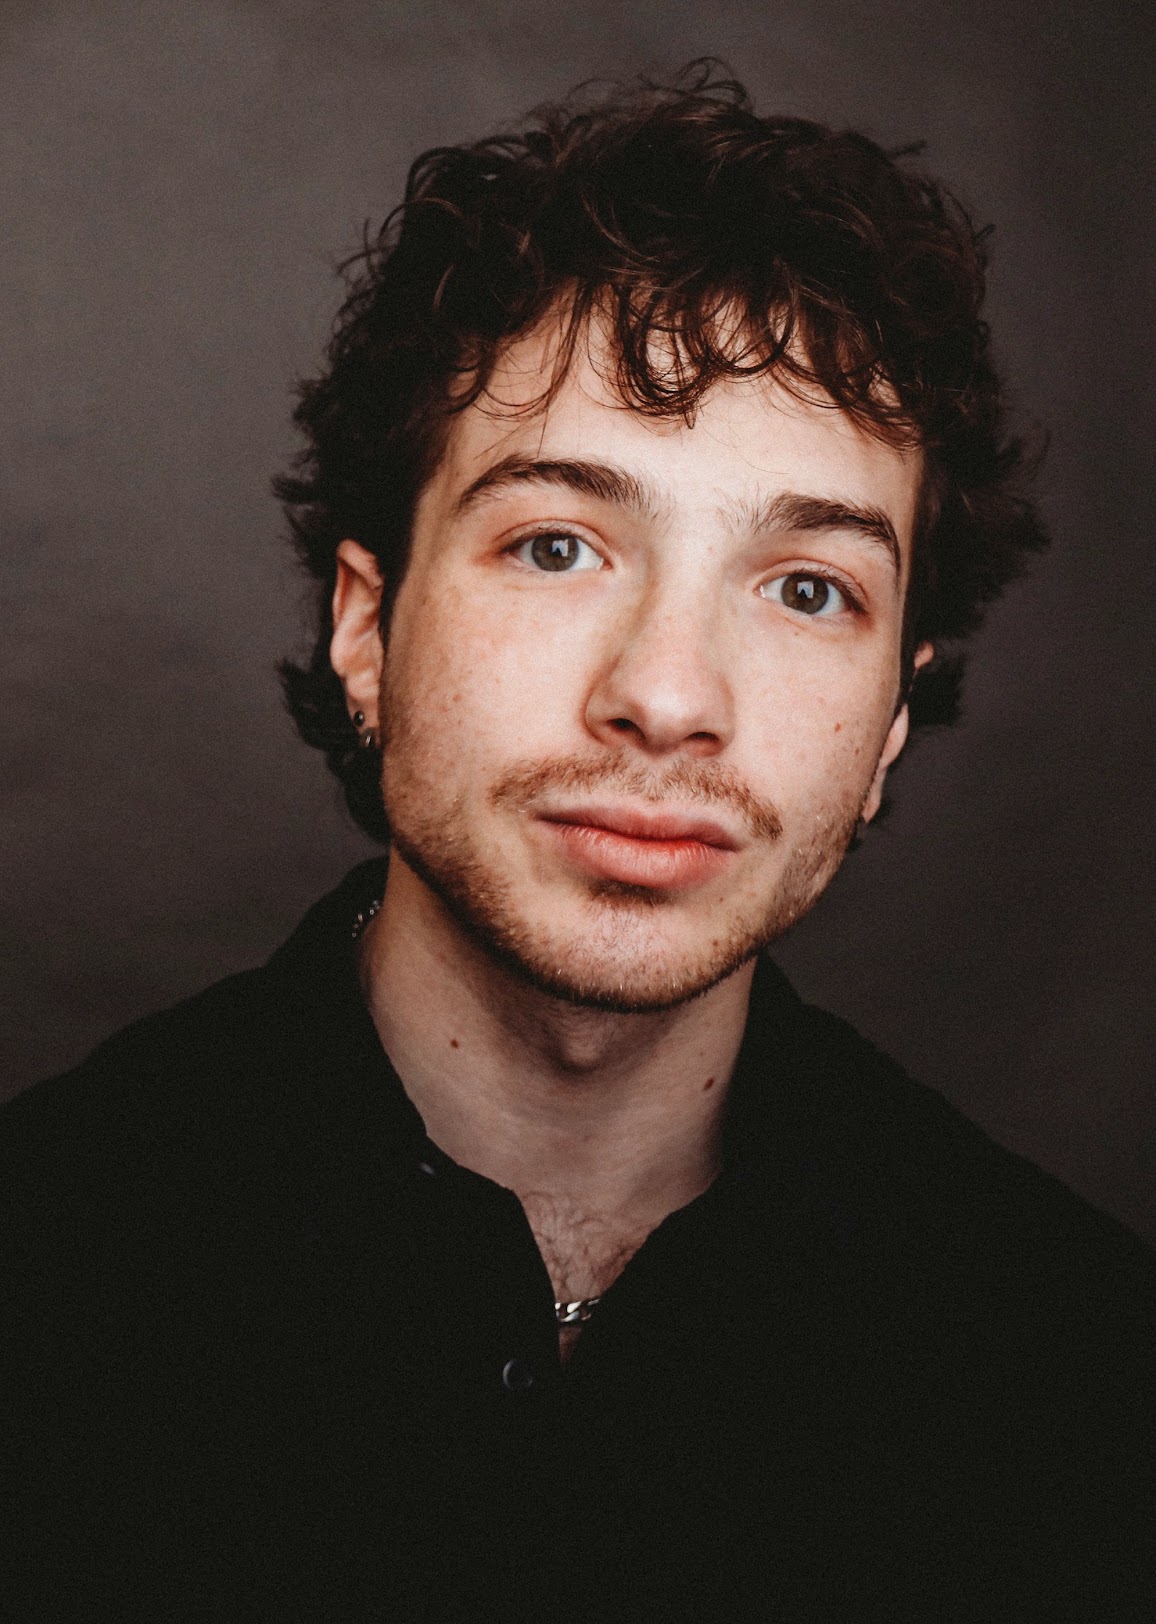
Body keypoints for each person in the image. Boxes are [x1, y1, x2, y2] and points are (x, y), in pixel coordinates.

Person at [2, 64, 1152, 1623]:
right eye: (557, 545)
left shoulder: (1077, 1372)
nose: (668, 698)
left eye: (808, 588)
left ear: (892, 717)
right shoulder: (45, 1269)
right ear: (366, 631)